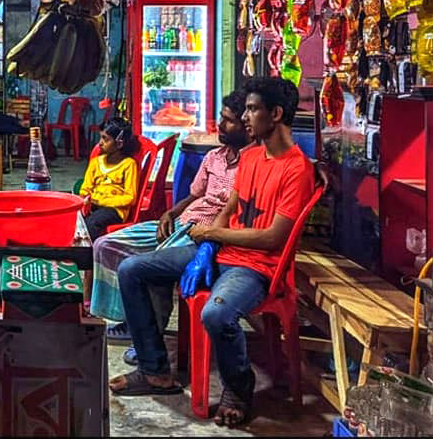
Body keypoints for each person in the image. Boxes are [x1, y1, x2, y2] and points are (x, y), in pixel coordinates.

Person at [108, 76, 315, 429]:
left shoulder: (297, 170)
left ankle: (238, 387)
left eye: (252, 110)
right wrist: (208, 244)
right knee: (131, 270)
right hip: (220, 251)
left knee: (216, 316)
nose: (246, 118)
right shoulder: (250, 159)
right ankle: (155, 370)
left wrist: (214, 234)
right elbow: (228, 208)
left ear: (276, 114)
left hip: (256, 268)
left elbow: (273, 239)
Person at [90, 91, 252, 347]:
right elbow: (193, 196)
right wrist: (170, 213)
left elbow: (232, 214)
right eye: (221, 118)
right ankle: (127, 320)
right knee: (105, 244)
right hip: (181, 223)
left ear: (248, 126)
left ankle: (148, 339)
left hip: (206, 235)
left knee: (152, 266)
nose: (220, 125)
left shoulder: (253, 165)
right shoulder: (214, 157)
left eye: (228, 120)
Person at [79, 117, 140, 242]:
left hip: (115, 210)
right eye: (101, 137)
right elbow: (85, 188)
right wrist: (86, 197)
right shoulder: (96, 162)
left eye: (105, 139)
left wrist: (100, 200)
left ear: (119, 144)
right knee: (75, 219)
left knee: (93, 223)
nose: (100, 142)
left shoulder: (129, 164)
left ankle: (87, 255)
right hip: (93, 205)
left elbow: (130, 198)